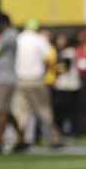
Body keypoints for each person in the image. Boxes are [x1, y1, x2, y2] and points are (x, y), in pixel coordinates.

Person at [11, 19, 63, 147]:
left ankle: (18, 138)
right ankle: (54, 138)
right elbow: (47, 59)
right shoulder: (40, 39)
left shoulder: (18, 39)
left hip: (20, 79)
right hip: (36, 79)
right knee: (45, 111)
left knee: (20, 112)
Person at [0, 13, 26, 153]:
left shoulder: (8, 35)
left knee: (1, 111)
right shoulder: (11, 35)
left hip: (4, 78)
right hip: (6, 77)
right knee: (7, 111)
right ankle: (22, 138)